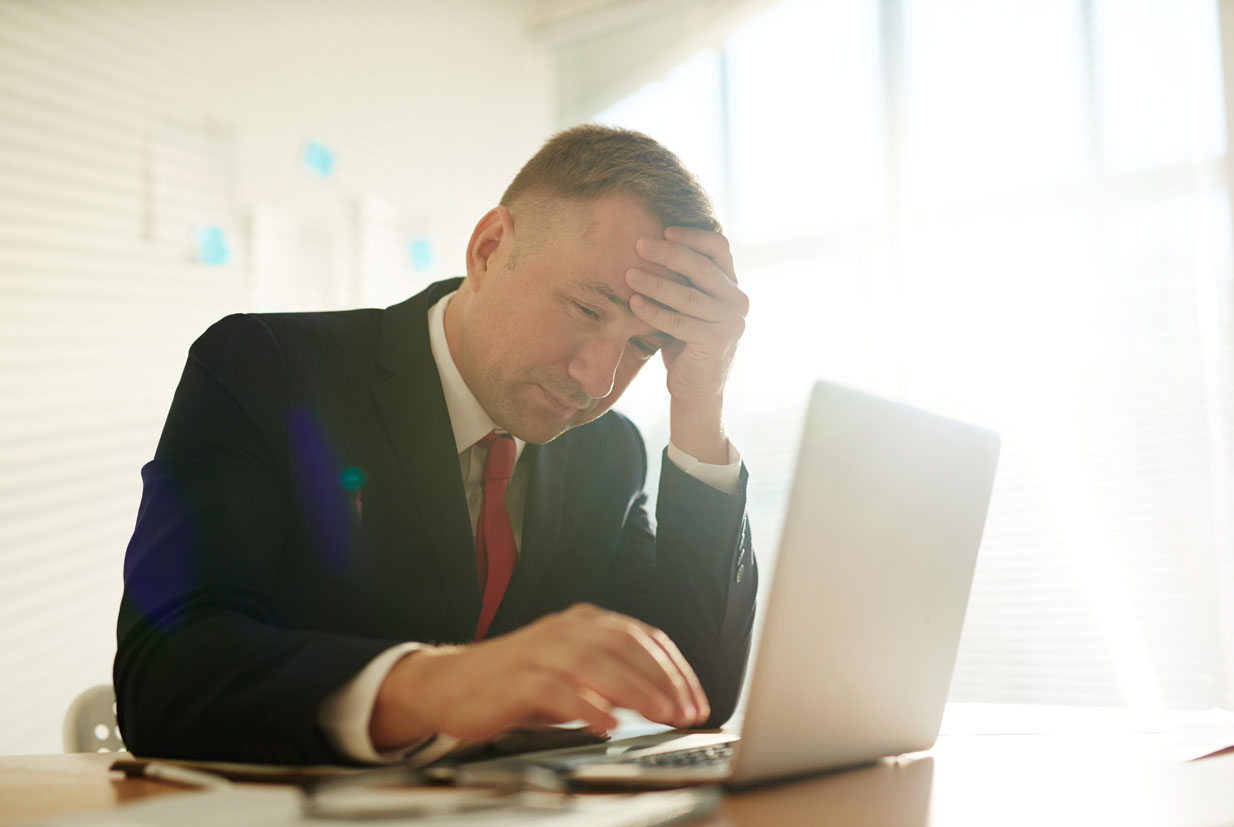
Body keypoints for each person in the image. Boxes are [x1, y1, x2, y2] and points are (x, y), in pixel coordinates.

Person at [114, 125, 757, 765]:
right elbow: (165, 675)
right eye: (588, 310)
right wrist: (439, 684)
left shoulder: (607, 453)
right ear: (488, 248)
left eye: (643, 346)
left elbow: (692, 693)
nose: (600, 380)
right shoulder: (266, 372)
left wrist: (700, 403)